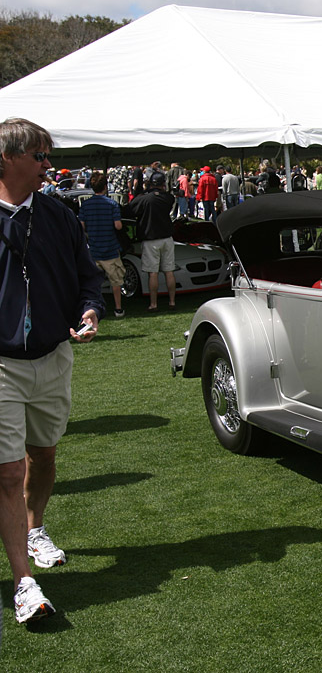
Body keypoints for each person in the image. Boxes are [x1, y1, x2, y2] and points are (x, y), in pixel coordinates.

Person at [0, 117, 104, 624]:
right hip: (0, 363)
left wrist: (88, 310)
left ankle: (35, 529)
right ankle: (24, 582)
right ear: (9, 158)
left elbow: (88, 277)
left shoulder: (60, 216)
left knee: (43, 456)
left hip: (53, 354)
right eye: (40, 157)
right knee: (8, 470)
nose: (49, 165)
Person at [78, 171, 126, 317]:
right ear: (105, 186)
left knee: (94, 282)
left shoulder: (85, 205)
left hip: (93, 248)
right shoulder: (112, 204)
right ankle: (118, 308)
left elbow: (81, 226)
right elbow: (118, 226)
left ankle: (94, 307)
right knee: (116, 281)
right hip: (110, 248)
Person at [129, 170, 176, 311]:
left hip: (150, 239)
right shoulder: (168, 198)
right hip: (166, 238)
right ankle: (172, 302)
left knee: (153, 273)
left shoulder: (144, 199)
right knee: (169, 271)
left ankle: (153, 304)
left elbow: (131, 208)